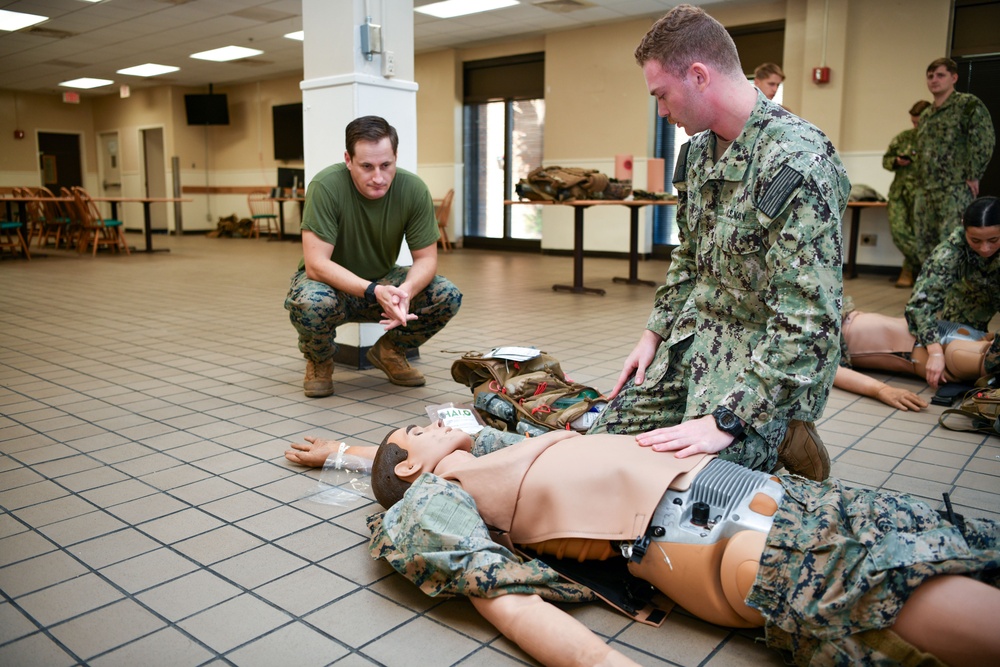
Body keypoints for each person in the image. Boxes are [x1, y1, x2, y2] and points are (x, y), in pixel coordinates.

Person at [346, 420, 1000, 667]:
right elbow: (499, 595)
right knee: (915, 587)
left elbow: (477, 432)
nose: (436, 419)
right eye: (418, 428)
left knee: (962, 544)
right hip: (752, 542)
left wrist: (341, 455)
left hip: (778, 503)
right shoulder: (436, 500)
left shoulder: (492, 454)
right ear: (409, 468)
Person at [585, 5, 850, 479]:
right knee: (596, 454)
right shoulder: (696, 155)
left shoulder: (797, 162)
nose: (662, 111)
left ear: (700, 75)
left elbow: (810, 321)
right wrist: (653, 335)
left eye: (662, 95)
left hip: (759, 361)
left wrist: (730, 420)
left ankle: (785, 428)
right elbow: (689, 257)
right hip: (694, 340)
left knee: (690, 484)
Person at [284, 116, 462, 398]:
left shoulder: (413, 189)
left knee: (446, 294)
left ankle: (391, 351)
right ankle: (319, 361)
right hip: (332, 285)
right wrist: (373, 291)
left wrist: (405, 291)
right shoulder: (326, 186)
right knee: (311, 302)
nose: (378, 177)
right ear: (348, 159)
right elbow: (316, 265)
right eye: (367, 166)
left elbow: (426, 259)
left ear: (395, 157)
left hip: (381, 278)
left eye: (386, 165)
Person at [906, 196, 1000, 389]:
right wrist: (935, 352)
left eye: (993, 240)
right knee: (963, 351)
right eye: (975, 240)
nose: (985, 248)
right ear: (964, 226)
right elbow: (919, 306)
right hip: (969, 299)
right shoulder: (950, 252)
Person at [911, 58, 995, 268]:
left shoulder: (967, 105)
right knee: (924, 246)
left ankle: (955, 295)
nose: (934, 80)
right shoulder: (927, 115)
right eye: (930, 76)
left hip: (954, 188)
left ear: (954, 77)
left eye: (940, 75)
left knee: (952, 242)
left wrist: (974, 173)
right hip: (925, 191)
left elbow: (984, 140)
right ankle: (931, 293)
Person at [883, 100, 931, 288]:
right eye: (913, 122)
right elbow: (886, 161)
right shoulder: (903, 138)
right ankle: (928, 267)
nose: (915, 126)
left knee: (921, 236)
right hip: (900, 193)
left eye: (919, 122)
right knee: (899, 233)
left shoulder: (937, 140)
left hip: (925, 196)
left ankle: (909, 269)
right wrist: (896, 161)